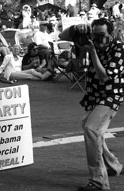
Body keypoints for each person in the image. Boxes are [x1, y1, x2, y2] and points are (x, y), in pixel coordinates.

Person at [59, 18, 124, 191]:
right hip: (95, 93)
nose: (96, 38)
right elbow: (61, 35)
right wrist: (76, 28)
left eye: (101, 35)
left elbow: (104, 76)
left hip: (111, 94)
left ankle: (99, 182)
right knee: (91, 129)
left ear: (111, 33)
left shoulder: (118, 47)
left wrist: (92, 52)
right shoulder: (91, 38)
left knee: (91, 129)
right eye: (94, 34)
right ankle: (113, 166)